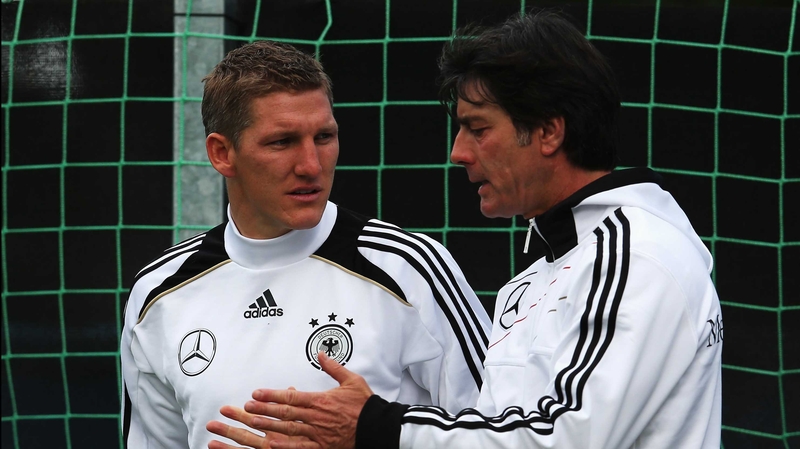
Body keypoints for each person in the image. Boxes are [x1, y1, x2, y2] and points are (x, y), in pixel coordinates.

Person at [209, 10, 723, 449]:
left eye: (478, 128)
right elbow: (493, 430)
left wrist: (377, 426)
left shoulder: (636, 256)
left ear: (548, 131)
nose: (458, 152)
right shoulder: (542, 272)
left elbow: (565, 436)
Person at [119, 40, 492, 449]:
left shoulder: (409, 268)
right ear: (222, 153)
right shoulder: (157, 295)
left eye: (324, 136)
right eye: (282, 142)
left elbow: (495, 434)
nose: (311, 165)